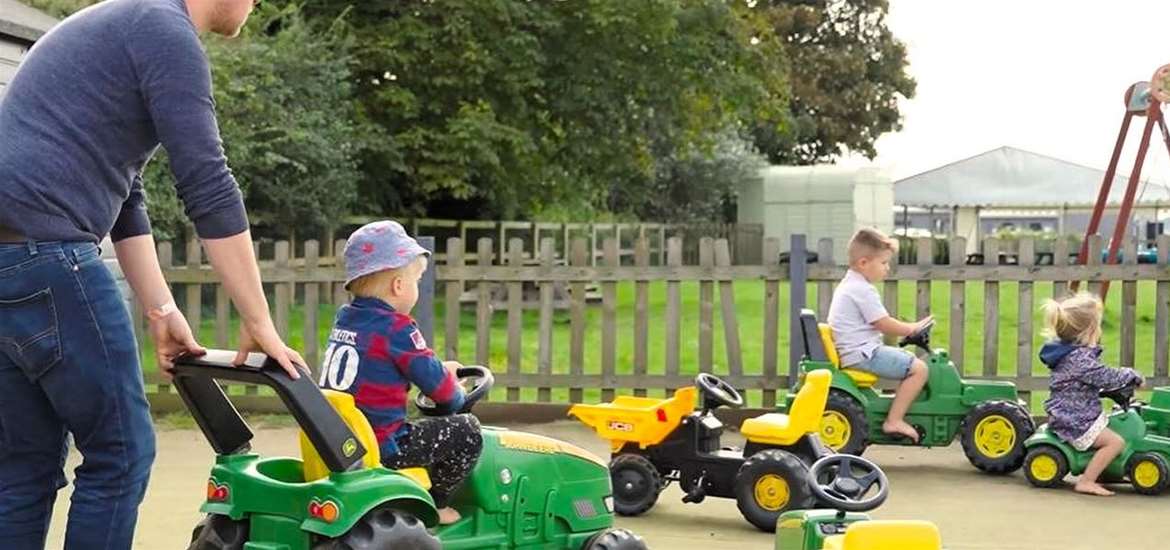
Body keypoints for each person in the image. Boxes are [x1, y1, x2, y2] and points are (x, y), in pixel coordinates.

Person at [0, 1, 303, 548]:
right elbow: (208, 183)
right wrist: (258, 319)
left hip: (9, 263)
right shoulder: (165, 30)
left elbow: (126, 193)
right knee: (121, 452)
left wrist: (161, 309)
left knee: (26, 465)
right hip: (50, 254)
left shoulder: (125, 22)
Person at [322, 220, 483, 525]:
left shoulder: (345, 319)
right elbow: (447, 397)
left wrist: (440, 372)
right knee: (467, 430)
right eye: (417, 281)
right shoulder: (397, 328)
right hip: (383, 447)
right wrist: (452, 386)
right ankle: (434, 504)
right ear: (398, 285)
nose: (417, 289)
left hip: (339, 439)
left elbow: (382, 365)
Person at [828, 228, 932, 441]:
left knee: (911, 364)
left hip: (857, 351)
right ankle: (894, 420)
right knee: (919, 370)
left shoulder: (851, 285)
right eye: (884, 263)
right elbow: (884, 324)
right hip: (863, 354)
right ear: (864, 263)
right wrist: (912, 328)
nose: (887, 268)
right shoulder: (862, 290)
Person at [1039, 293, 1143, 496]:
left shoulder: (1073, 355)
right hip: (1075, 419)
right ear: (1089, 332)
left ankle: (1103, 469)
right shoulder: (1080, 361)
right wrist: (1132, 375)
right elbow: (1106, 376)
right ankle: (1086, 481)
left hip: (1076, 412)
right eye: (1098, 325)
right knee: (1116, 442)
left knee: (1115, 428)